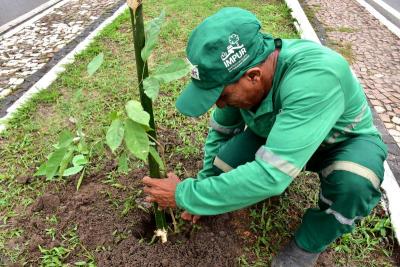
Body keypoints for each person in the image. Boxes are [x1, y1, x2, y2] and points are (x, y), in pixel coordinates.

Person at [142, 7, 387, 266]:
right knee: (223, 163)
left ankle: (308, 245)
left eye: (221, 96)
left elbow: (273, 176)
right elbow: (221, 133)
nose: (220, 105)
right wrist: (202, 191)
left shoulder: (316, 78)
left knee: (355, 184)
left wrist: (184, 194)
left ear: (253, 77)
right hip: (281, 136)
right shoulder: (244, 75)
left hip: (340, 144)